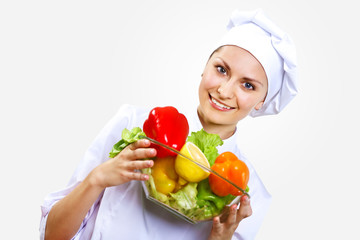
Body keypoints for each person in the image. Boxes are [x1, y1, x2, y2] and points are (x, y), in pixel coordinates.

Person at [40, 9, 298, 240]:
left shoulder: (247, 191)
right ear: (204, 67)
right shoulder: (134, 123)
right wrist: (96, 179)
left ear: (261, 102)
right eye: (221, 69)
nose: (224, 90)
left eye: (248, 85)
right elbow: (53, 235)